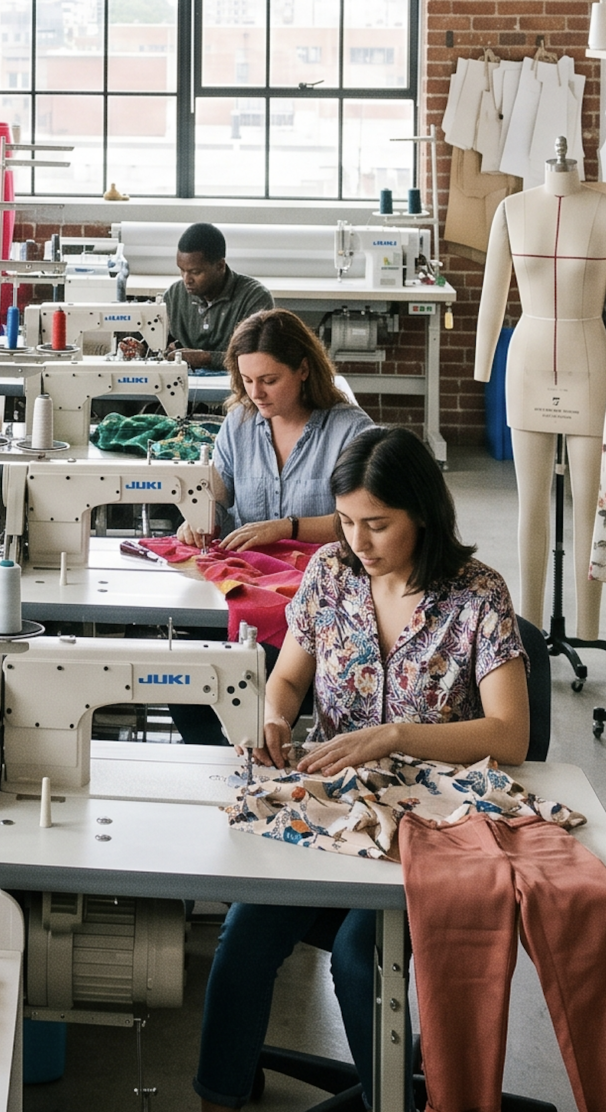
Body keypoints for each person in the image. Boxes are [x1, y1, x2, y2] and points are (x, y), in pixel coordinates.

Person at [195, 425, 530, 1110]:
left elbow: (511, 733)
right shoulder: (329, 575)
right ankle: (218, 1096)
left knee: (358, 957)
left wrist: (397, 735)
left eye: (377, 524)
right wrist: (275, 719)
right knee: (243, 935)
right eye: (347, 521)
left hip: (434, 824)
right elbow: (287, 678)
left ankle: (394, 1103)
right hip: (333, 808)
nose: (358, 541)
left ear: (424, 513)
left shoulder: (477, 595)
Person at [195, 310, 374, 550]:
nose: (256, 393)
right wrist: (200, 522)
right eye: (247, 380)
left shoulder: (350, 431)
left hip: (324, 577)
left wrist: (287, 528)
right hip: (249, 573)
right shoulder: (238, 424)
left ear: (303, 370)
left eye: (269, 381)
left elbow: (369, 519)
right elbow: (217, 500)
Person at [161, 223, 274, 369]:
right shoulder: (173, 296)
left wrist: (206, 358)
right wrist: (142, 346)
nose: (186, 279)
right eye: (182, 270)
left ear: (220, 266)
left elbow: (256, 357)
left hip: (237, 384)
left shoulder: (255, 298)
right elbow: (160, 340)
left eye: (195, 272)